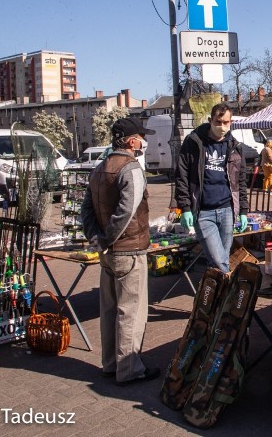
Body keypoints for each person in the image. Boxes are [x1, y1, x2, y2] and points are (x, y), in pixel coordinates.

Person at [80, 116, 160, 386]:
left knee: (111, 309)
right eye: (141, 137)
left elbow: (86, 210)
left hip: (109, 252)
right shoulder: (131, 169)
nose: (144, 142)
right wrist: (108, 238)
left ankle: (110, 364)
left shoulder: (100, 168)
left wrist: (97, 239)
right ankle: (129, 369)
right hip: (128, 250)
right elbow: (126, 211)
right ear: (131, 140)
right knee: (131, 312)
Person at [175, 103, 249, 272]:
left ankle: (213, 295)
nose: (222, 126)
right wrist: (185, 207)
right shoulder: (194, 142)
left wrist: (243, 211)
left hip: (227, 210)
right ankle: (225, 293)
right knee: (219, 261)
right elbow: (181, 175)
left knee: (222, 258)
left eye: (226, 122)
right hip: (203, 212)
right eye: (218, 122)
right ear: (210, 120)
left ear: (231, 122)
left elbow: (241, 181)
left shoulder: (235, 147)